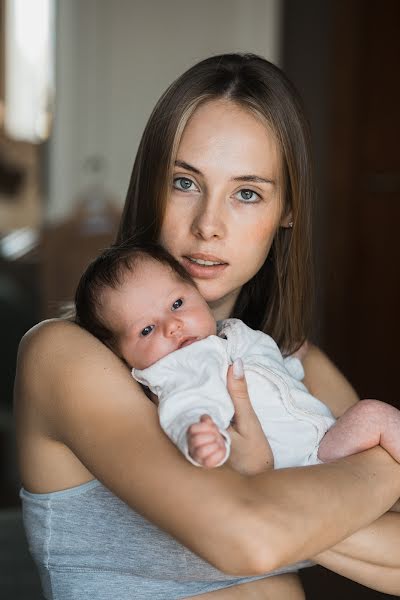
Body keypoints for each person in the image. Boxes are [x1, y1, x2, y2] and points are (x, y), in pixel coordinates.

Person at [15, 53, 400, 599]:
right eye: (185, 182)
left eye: (247, 193)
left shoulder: (297, 363)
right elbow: (249, 538)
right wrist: (386, 461)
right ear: (151, 184)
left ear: (287, 209)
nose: (208, 226)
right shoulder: (64, 356)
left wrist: (268, 488)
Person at [74, 241, 400, 472]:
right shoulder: (179, 369)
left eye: (176, 304)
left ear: (196, 292)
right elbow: (185, 407)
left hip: (324, 441)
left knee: (373, 424)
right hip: (299, 468)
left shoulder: (232, 334)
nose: (172, 326)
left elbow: (271, 374)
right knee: (374, 416)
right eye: (146, 330)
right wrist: (197, 437)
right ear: (121, 354)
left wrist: (290, 361)